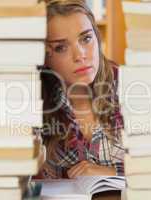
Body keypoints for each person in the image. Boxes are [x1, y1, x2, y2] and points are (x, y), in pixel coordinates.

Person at [37, 0, 124, 179]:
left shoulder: (129, 86)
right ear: (45, 57)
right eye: (61, 47)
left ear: (97, 37)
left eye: (86, 39)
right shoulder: (37, 103)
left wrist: (113, 174)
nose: (80, 55)